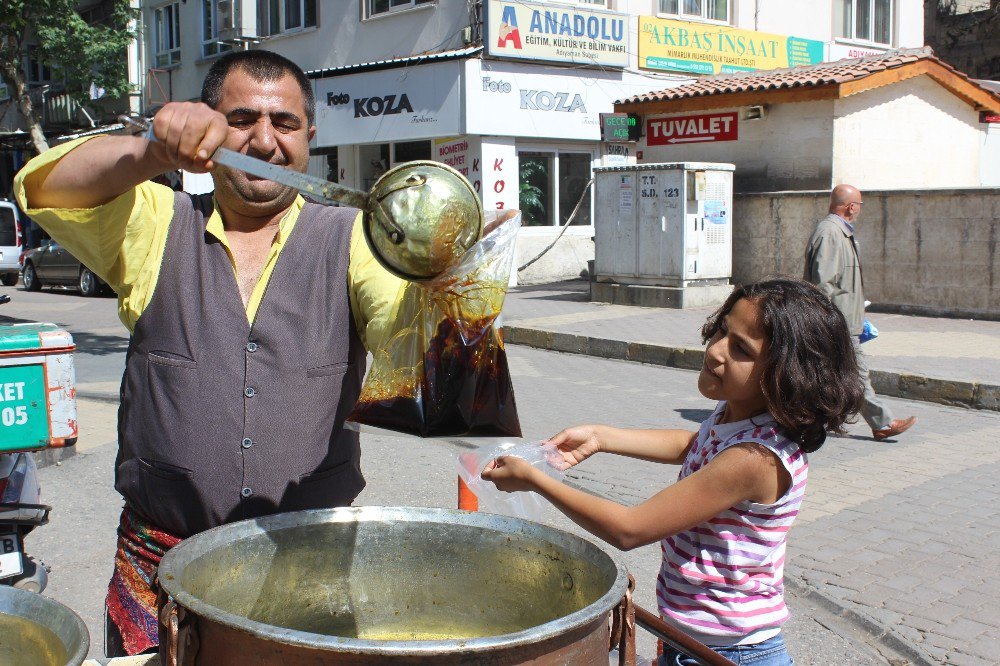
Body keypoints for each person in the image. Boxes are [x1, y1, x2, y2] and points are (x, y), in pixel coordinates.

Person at [13, 50, 403, 656]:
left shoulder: (352, 235)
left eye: (286, 124)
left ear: (310, 138)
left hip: (309, 564)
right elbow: (42, 186)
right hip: (161, 567)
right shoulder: (158, 222)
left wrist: (447, 282)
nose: (265, 141)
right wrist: (151, 150)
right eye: (242, 119)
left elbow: (403, 329)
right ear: (207, 127)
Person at [482, 277, 865, 666]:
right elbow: (694, 445)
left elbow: (629, 529)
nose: (715, 351)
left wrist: (534, 480)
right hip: (688, 639)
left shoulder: (755, 459)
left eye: (740, 349)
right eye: (722, 330)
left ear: (785, 375)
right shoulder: (739, 412)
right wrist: (601, 436)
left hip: (729, 654)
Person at [804, 184, 917, 441]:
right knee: (856, 372)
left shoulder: (840, 233)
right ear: (851, 206)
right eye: (860, 205)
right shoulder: (831, 233)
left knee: (826, 374)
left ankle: (810, 418)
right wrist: (828, 321)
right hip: (837, 323)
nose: (859, 210)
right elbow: (823, 284)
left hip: (845, 320)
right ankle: (882, 423)